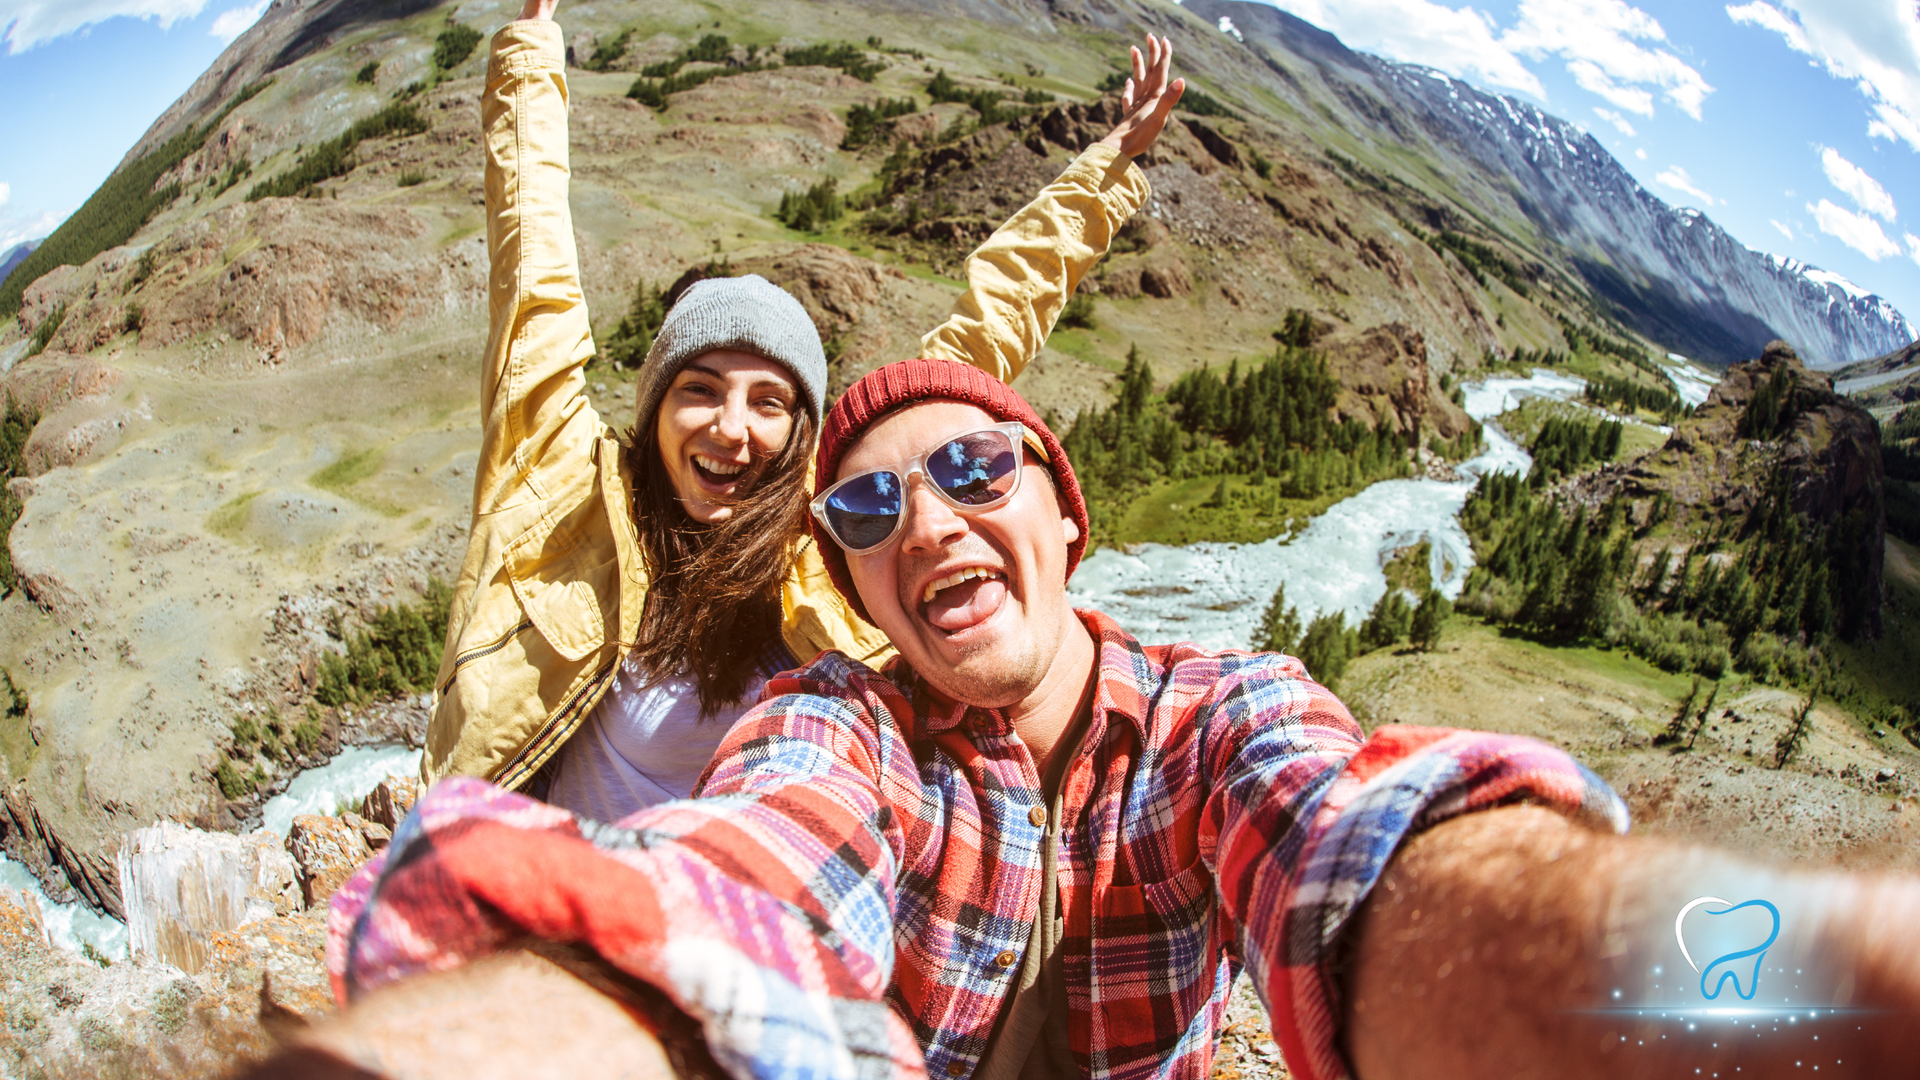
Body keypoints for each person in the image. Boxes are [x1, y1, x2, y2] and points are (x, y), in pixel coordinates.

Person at [296, 360, 1920, 1080]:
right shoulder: (840, 727)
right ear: (857, 583)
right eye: (868, 504)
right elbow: (742, 880)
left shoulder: (1216, 715)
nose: (926, 521)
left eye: (974, 470)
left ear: (1069, 521)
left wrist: (1812, 991)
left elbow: (1352, 845)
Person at [431, 0, 1185, 823]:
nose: (731, 427)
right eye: (699, 389)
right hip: (538, 914)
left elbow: (983, 333)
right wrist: (531, 53)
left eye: (769, 402)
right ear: (653, 409)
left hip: (754, 928)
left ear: (801, 434)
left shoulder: (831, 538)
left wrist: (1108, 170)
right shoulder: (566, 485)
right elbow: (532, 269)